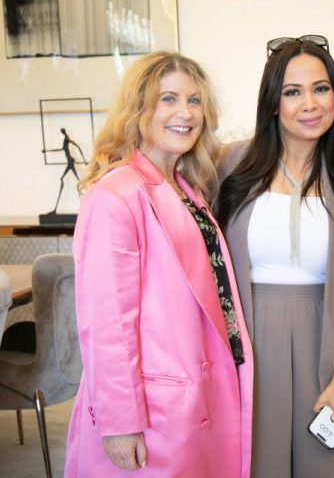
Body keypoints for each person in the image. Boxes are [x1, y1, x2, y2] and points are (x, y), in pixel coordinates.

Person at [64, 51, 253, 477]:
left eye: (194, 100)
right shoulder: (116, 195)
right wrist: (119, 422)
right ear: (139, 108)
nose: (185, 112)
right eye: (168, 99)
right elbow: (108, 324)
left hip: (196, 395)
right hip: (153, 412)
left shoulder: (186, 189)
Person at [215, 35, 334, 478]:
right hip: (247, 343)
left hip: (322, 341)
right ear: (273, 102)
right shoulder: (230, 165)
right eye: (292, 92)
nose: (310, 104)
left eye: (321, 88)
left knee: (325, 462)